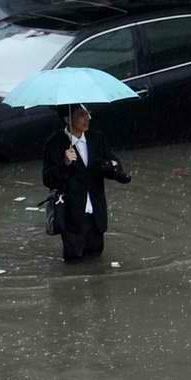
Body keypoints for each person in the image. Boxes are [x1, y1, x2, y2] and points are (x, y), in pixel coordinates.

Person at [42, 105, 130, 262]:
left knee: (97, 260)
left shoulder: (97, 138)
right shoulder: (54, 144)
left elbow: (112, 163)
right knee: (74, 262)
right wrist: (65, 164)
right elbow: (48, 180)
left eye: (88, 114)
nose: (87, 118)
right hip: (72, 216)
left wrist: (117, 172)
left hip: (96, 213)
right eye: (82, 115)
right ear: (68, 119)